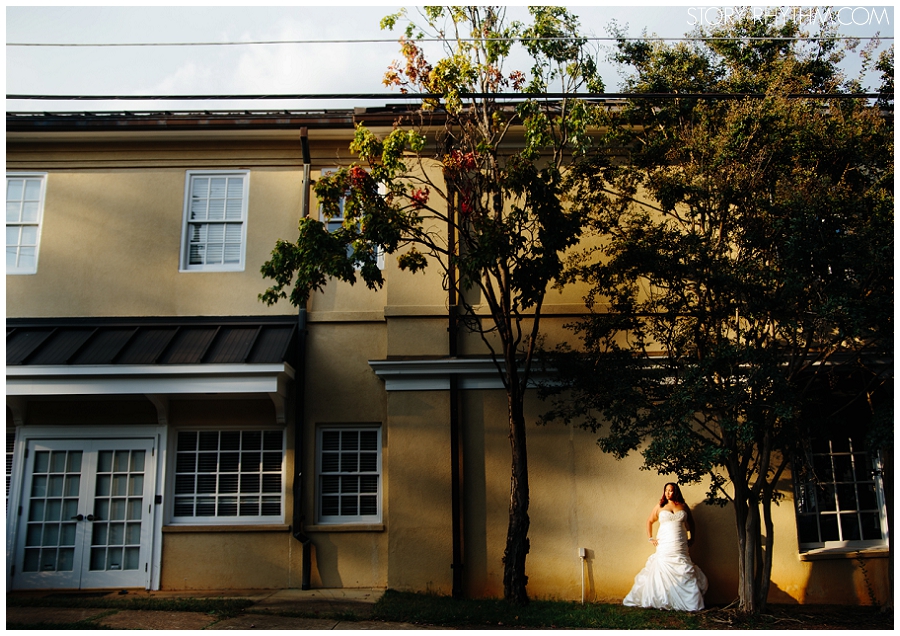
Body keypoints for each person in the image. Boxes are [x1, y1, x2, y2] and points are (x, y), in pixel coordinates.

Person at [623, 482, 708, 611]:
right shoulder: (660, 506)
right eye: (667, 490)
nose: (669, 493)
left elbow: (691, 523)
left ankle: (687, 602)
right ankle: (662, 599)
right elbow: (650, 521)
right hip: (665, 542)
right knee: (662, 566)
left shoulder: (683, 506)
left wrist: (693, 537)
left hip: (680, 543)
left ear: (676, 492)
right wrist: (650, 537)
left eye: (671, 490)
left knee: (682, 568)